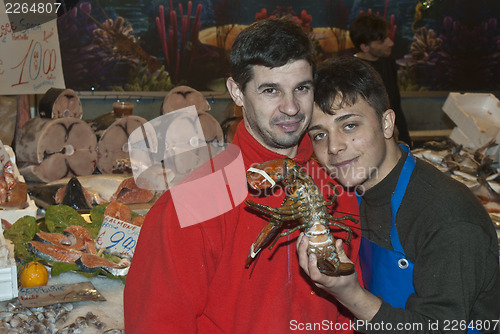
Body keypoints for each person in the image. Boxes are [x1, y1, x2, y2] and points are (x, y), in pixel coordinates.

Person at [124, 18, 361, 333]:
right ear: (236, 91)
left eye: (301, 88)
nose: (291, 108)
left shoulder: (340, 182)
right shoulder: (187, 207)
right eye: (270, 90)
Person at [299, 56, 500, 333]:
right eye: (319, 134)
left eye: (349, 126)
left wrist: (351, 295)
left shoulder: (448, 218)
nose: (334, 147)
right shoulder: (351, 192)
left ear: (386, 124)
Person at [349, 12, 412, 147]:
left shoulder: (388, 64)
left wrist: (406, 141)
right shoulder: (350, 71)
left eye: (387, 37)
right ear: (364, 46)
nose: (390, 43)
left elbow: (396, 105)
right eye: (381, 40)